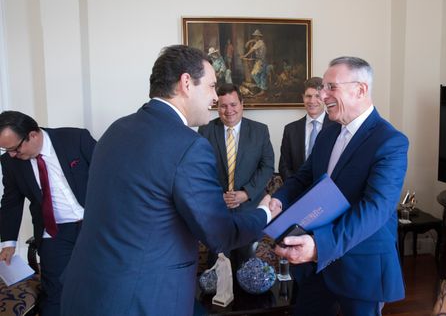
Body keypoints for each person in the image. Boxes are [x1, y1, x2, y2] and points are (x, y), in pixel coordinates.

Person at [60, 45, 278, 316]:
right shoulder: (188, 145)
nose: (214, 98)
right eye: (211, 86)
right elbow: (219, 234)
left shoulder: (116, 129)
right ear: (186, 82)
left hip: (87, 290)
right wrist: (264, 213)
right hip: (143, 297)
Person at [272, 56, 409, 315]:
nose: (323, 95)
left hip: (360, 268)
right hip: (316, 270)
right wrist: (278, 199)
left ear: (360, 90)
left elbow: (375, 209)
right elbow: (304, 177)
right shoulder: (328, 132)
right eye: (323, 87)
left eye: (330, 87)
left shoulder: (391, 142)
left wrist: (319, 247)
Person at [0, 111, 96, 316]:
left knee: (104, 283)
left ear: (33, 135)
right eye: (6, 149)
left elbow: (110, 175)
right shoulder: (10, 163)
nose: (11, 154)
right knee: (55, 293)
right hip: (54, 232)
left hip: (93, 225)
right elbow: (11, 201)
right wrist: (8, 243)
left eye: (15, 148)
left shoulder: (75, 139)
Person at [198, 83, 274, 266]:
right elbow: (201, 169)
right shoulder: (205, 130)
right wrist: (218, 196)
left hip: (249, 210)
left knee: (247, 269)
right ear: (217, 107)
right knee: (216, 268)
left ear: (242, 104)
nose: (229, 110)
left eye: (233, 104)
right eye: (223, 106)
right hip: (218, 210)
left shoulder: (260, 130)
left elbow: (267, 166)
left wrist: (246, 193)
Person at [279, 77, 333, 181]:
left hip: (328, 190)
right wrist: (295, 188)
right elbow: (284, 166)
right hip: (296, 192)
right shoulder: (290, 129)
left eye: (317, 96)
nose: (312, 101)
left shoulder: (337, 127)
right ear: (303, 97)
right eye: (308, 96)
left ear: (325, 97)